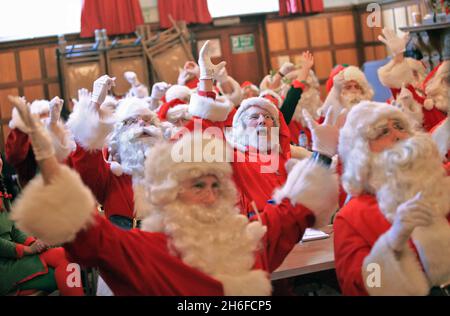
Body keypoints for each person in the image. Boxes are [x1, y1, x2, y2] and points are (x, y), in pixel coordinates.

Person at [9, 96, 340, 295]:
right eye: (197, 186)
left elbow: (291, 212)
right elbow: (92, 236)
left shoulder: (244, 239)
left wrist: (323, 154)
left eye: (216, 186)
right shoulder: (149, 249)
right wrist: (48, 163)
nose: (210, 196)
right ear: (173, 195)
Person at [333, 101, 450, 295]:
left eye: (399, 126)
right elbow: (361, 284)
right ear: (362, 153)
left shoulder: (439, 188)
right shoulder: (352, 217)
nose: (397, 135)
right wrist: (392, 244)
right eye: (382, 133)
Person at [65, 78, 166, 230]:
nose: (142, 125)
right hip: (125, 239)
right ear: (119, 133)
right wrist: (94, 106)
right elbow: (87, 158)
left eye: (147, 120)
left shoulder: (169, 170)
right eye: (132, 121)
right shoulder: (111, 175)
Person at [0, 152, 83, 296]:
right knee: (59, 274)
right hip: (5, 266)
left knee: (66, 256)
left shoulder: (3, 193)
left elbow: (14, 230)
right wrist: (27, 250)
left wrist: (35, 243)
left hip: (15, 257)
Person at [377, 27, 446, 131]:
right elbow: (398, 82)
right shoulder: (405, 94)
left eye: (415, 73)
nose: (413, 77)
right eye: (409, 73)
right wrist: (398, 56)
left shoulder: (432, 91)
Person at [5, 97, 75, 188]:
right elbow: (14, 155)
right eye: (42, 119)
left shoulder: (63, 144)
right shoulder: (27, 146)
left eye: (48, 118)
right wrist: (20, 125)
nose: (45, 123)